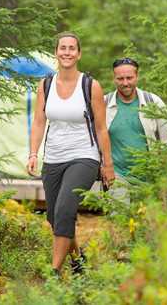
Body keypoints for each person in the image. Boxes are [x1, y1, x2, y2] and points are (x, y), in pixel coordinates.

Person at [26, 32, 115, 276]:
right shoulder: (45, 84)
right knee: (55, 218)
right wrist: (33, 153)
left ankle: (53, 271)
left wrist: (107, 164)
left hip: (83, 156)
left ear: (79, 53)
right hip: (53, 157)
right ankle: (78, 260)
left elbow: (100, 128)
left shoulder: (91, 86)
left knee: (65, 210)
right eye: (62, 48)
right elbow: (38, 121)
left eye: (72, 48)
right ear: (56, 52)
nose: (67, 52)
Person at [105, 57, 167, 201]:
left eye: (129, 78)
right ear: (114, 78)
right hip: (117, 174)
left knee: (147, 219)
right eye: (120, 78)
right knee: (120, 215)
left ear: (137, 76)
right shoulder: (104, 103)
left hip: (149, 175)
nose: (125, 83)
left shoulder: (153, 102)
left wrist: (163, 175)